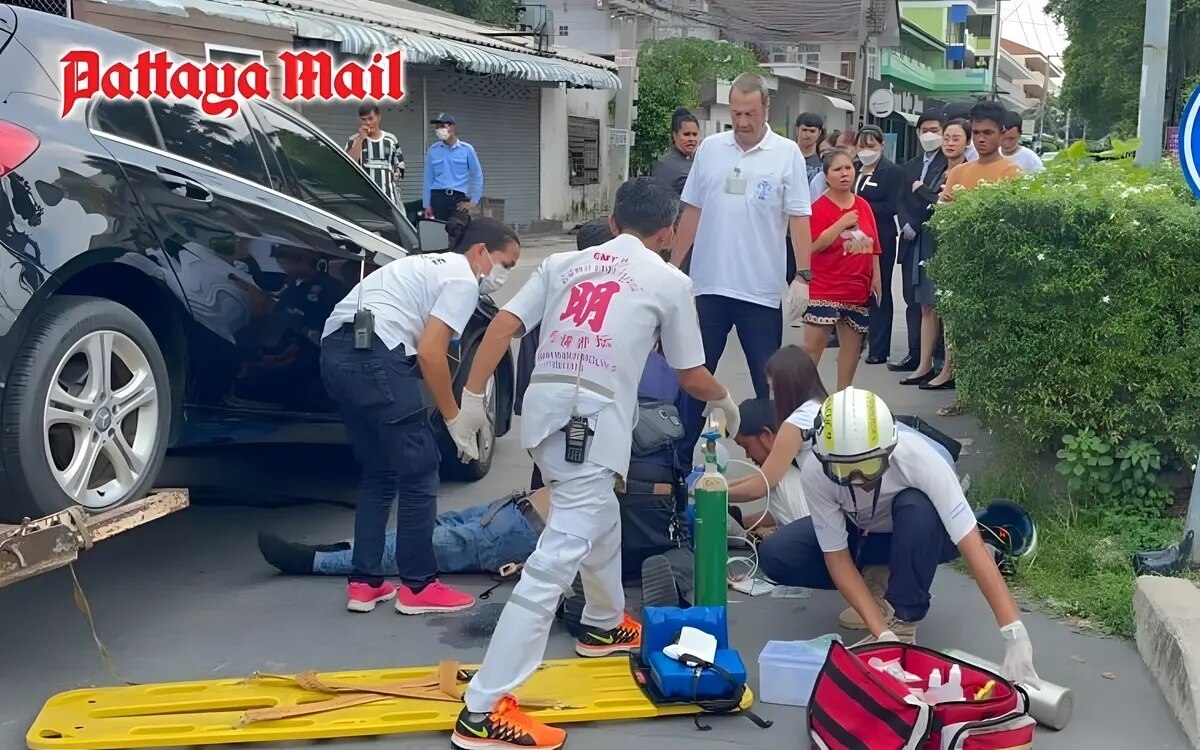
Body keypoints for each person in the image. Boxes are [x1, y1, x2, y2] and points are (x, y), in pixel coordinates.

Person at [444, 177, 740, 750]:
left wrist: (472, 401)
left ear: (611, 223)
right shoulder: (670, 280)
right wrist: (725, 401)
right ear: (667, 233)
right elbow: (689, 375)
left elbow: (503, 325)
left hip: (545, 412)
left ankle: (603, 624)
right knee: (552, 566)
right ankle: (482, 711)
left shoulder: (562, 264)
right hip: (591, 425)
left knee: (601, 517)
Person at [757, 388, 1039, 690]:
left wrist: (1014, 632)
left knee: (916, 507)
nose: (857, 479)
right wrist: (881, 635)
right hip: (863, 534)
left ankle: (904, 619)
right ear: (824, 457)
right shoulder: (816, 470)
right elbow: (836, 557)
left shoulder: (920, 459)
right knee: (776, 553)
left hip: (925, 533)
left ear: (888, 449)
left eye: (867, 466)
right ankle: (878, 588)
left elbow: (971, 546)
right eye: (843, 469)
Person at [319, 214, 520, 615]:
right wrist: (453, 417)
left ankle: (365, 582)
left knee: (380, 470)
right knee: (421, 469)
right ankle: (419, 585)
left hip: (335, 356)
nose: (504, 275)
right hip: (379, 356)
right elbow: (431, 351)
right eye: (507, 264)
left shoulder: (421, 264)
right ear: (480, 252)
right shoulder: (463, 277)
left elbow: (431, 351)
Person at [669, 72, 812, 469]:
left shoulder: (787, 155)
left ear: (766, 108)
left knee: (769, 386)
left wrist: (803, 275)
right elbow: (692, 211)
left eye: (750, 113)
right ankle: (675, 464)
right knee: (692, 379)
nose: (743, 121)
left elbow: (799, 218)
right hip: (709, 288)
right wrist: (671, 267)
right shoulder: (712, 149)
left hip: (760, 293)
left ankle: (784, 469)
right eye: (736, 113)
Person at [921, 102, 1022, 402]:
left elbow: (1010, 223)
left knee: (989, 334)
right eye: (976, 132)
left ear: (1002, 134)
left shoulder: (1012, 173)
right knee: (956, 331)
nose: (981, 138)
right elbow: (943, 216)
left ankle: (988, 398)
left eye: (987, 132)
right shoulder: (959, 172)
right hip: (960, 264)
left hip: (994, 267)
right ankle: (961, 391)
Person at [257, 490, 548, 577]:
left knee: (418, 547)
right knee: (422, 531)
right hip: (514, 506)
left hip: (520, 532)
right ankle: (330, 550)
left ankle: (313, 560)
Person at [798, 148, 882, 390]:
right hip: (824, 287)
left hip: (856, 288)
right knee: (813, 348)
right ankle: (801, 400)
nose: (844, 174)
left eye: (848, 168)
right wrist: (840, 224)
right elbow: (812, 246)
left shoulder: (864, 205)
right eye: (837, 169)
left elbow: (874, 245)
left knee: (852, 349)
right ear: (826, 176)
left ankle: (843, 398)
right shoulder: (817, 207)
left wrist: (876, 277)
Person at [726, 344, 828, 526]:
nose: (773, 397)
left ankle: (799, 542)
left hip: (826, 521)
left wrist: (711, 493)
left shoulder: (797, 422)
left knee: (779, 478)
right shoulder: (824, 405)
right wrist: (724, 486)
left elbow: (761, 484)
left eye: (774, 390)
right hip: (853, 509)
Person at [903, 119, 971, 389]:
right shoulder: (936, 167)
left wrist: (924, 192)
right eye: (947, 137)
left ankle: (949, 370)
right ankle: (924, 365)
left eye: (956, 138)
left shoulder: (967, 170)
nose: (950, 143)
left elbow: (941, 202)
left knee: (949, 309)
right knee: (926, 305)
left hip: (951, 243)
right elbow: (921, 200)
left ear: (967, 141)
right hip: (927, 238)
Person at [891, 110, 947, 374]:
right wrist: (905, 223)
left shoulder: (948, 163)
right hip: (910, 239)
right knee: (910, 297)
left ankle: (935, 356)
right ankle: (914, 353)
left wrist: (917, 222)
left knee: (931, 299)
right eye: (925, 130)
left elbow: (937, 201)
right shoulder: (909, 165)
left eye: (935, 130)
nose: (929, 135)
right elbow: (901, 199)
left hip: (931, 236)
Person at [851, 126, 906, 366]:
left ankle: (879, 347)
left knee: (878, 289)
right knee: (856, 289)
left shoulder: (892, 172)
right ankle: (855, 340)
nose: (866, 151)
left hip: (880, 237)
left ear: (882, 145)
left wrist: (861, 210)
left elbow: (894, 205)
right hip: (852, 237)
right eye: (862, 146)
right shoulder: (853, 168)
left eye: (871, 146)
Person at [422, 113, 484, 221]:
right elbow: (428, 179)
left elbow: (477, 175)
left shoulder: (467, 150)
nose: (438, 130)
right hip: (438, 198)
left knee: (458, 230)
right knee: (440, 231)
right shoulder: (433, 150)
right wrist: (427, 205)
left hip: (458, 198)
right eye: (437, 127)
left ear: (452, 127)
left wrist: (473, 201)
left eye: (442, 126)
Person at [346, 102, 405, 207]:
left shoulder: (391, 140)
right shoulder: (353, 139)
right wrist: (360, 139)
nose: (367, 123)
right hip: (363, 200)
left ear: (379, 117)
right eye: (363, 119)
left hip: (389, 200)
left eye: (370, 118)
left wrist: (395, 175)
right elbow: (348, 164)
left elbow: (400, 166)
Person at [652, 107, 700, 198]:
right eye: (686, 134)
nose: (692, 139)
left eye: (695, 134)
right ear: (674, 135)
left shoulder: (701, 161)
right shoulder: (664, 164)